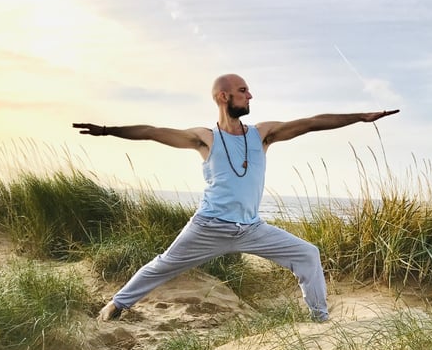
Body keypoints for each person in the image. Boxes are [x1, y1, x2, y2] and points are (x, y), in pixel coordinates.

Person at [73, 73, 399, 322]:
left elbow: (311, 124)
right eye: (244, 90)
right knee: (163, 266)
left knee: (307, 254)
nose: (250, 95)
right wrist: (107, 130)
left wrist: (359, 116)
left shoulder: (263, 134)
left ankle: (320, 320)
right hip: (209, 227)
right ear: (223, 96)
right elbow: (151, 132)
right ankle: (116, 304)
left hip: (252, 229)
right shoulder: (205, 138)